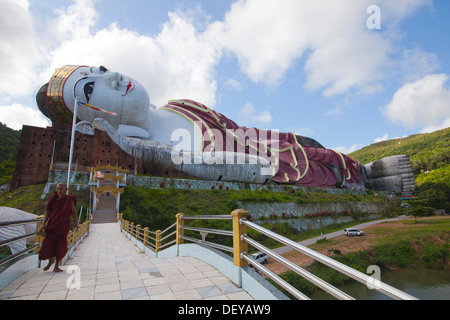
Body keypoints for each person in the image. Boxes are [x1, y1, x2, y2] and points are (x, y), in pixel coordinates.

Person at [36, 65, 415, 193]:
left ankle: (365, 171)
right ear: (88, 122)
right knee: (314, 170)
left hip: (265, 141)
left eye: (100, 70)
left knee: (315, 149)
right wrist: (136, 147)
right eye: (91, 87)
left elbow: (238, 129)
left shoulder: (178, 104)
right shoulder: (150, 146)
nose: (113, 77)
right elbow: (233, 168)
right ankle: (368, 180)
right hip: (266, 165)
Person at [39, 183, 78, 272]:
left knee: (60, 246)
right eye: (58, 189)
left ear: (66, 189)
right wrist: (44, 223)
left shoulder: (69, 199)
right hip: (52, 225)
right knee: (47, 245)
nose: (59, 191)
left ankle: (56, 266)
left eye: (62, 189)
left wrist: (76, 224)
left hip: (62, 227)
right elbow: (48, 212)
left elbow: (74, 212)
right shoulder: (53, 198)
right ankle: (50, 260)